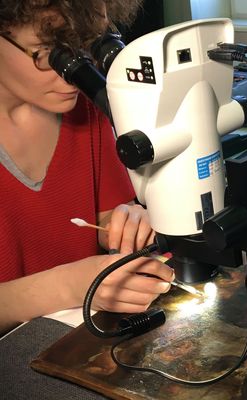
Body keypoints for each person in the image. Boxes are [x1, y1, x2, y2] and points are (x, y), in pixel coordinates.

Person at [0, 0, 174, 335]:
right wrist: (67, 287)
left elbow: (105, 218)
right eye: (47, 52)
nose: (74, 78)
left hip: (76, 338)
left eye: (87, 44)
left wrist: (130, 221)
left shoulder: (86, 113)